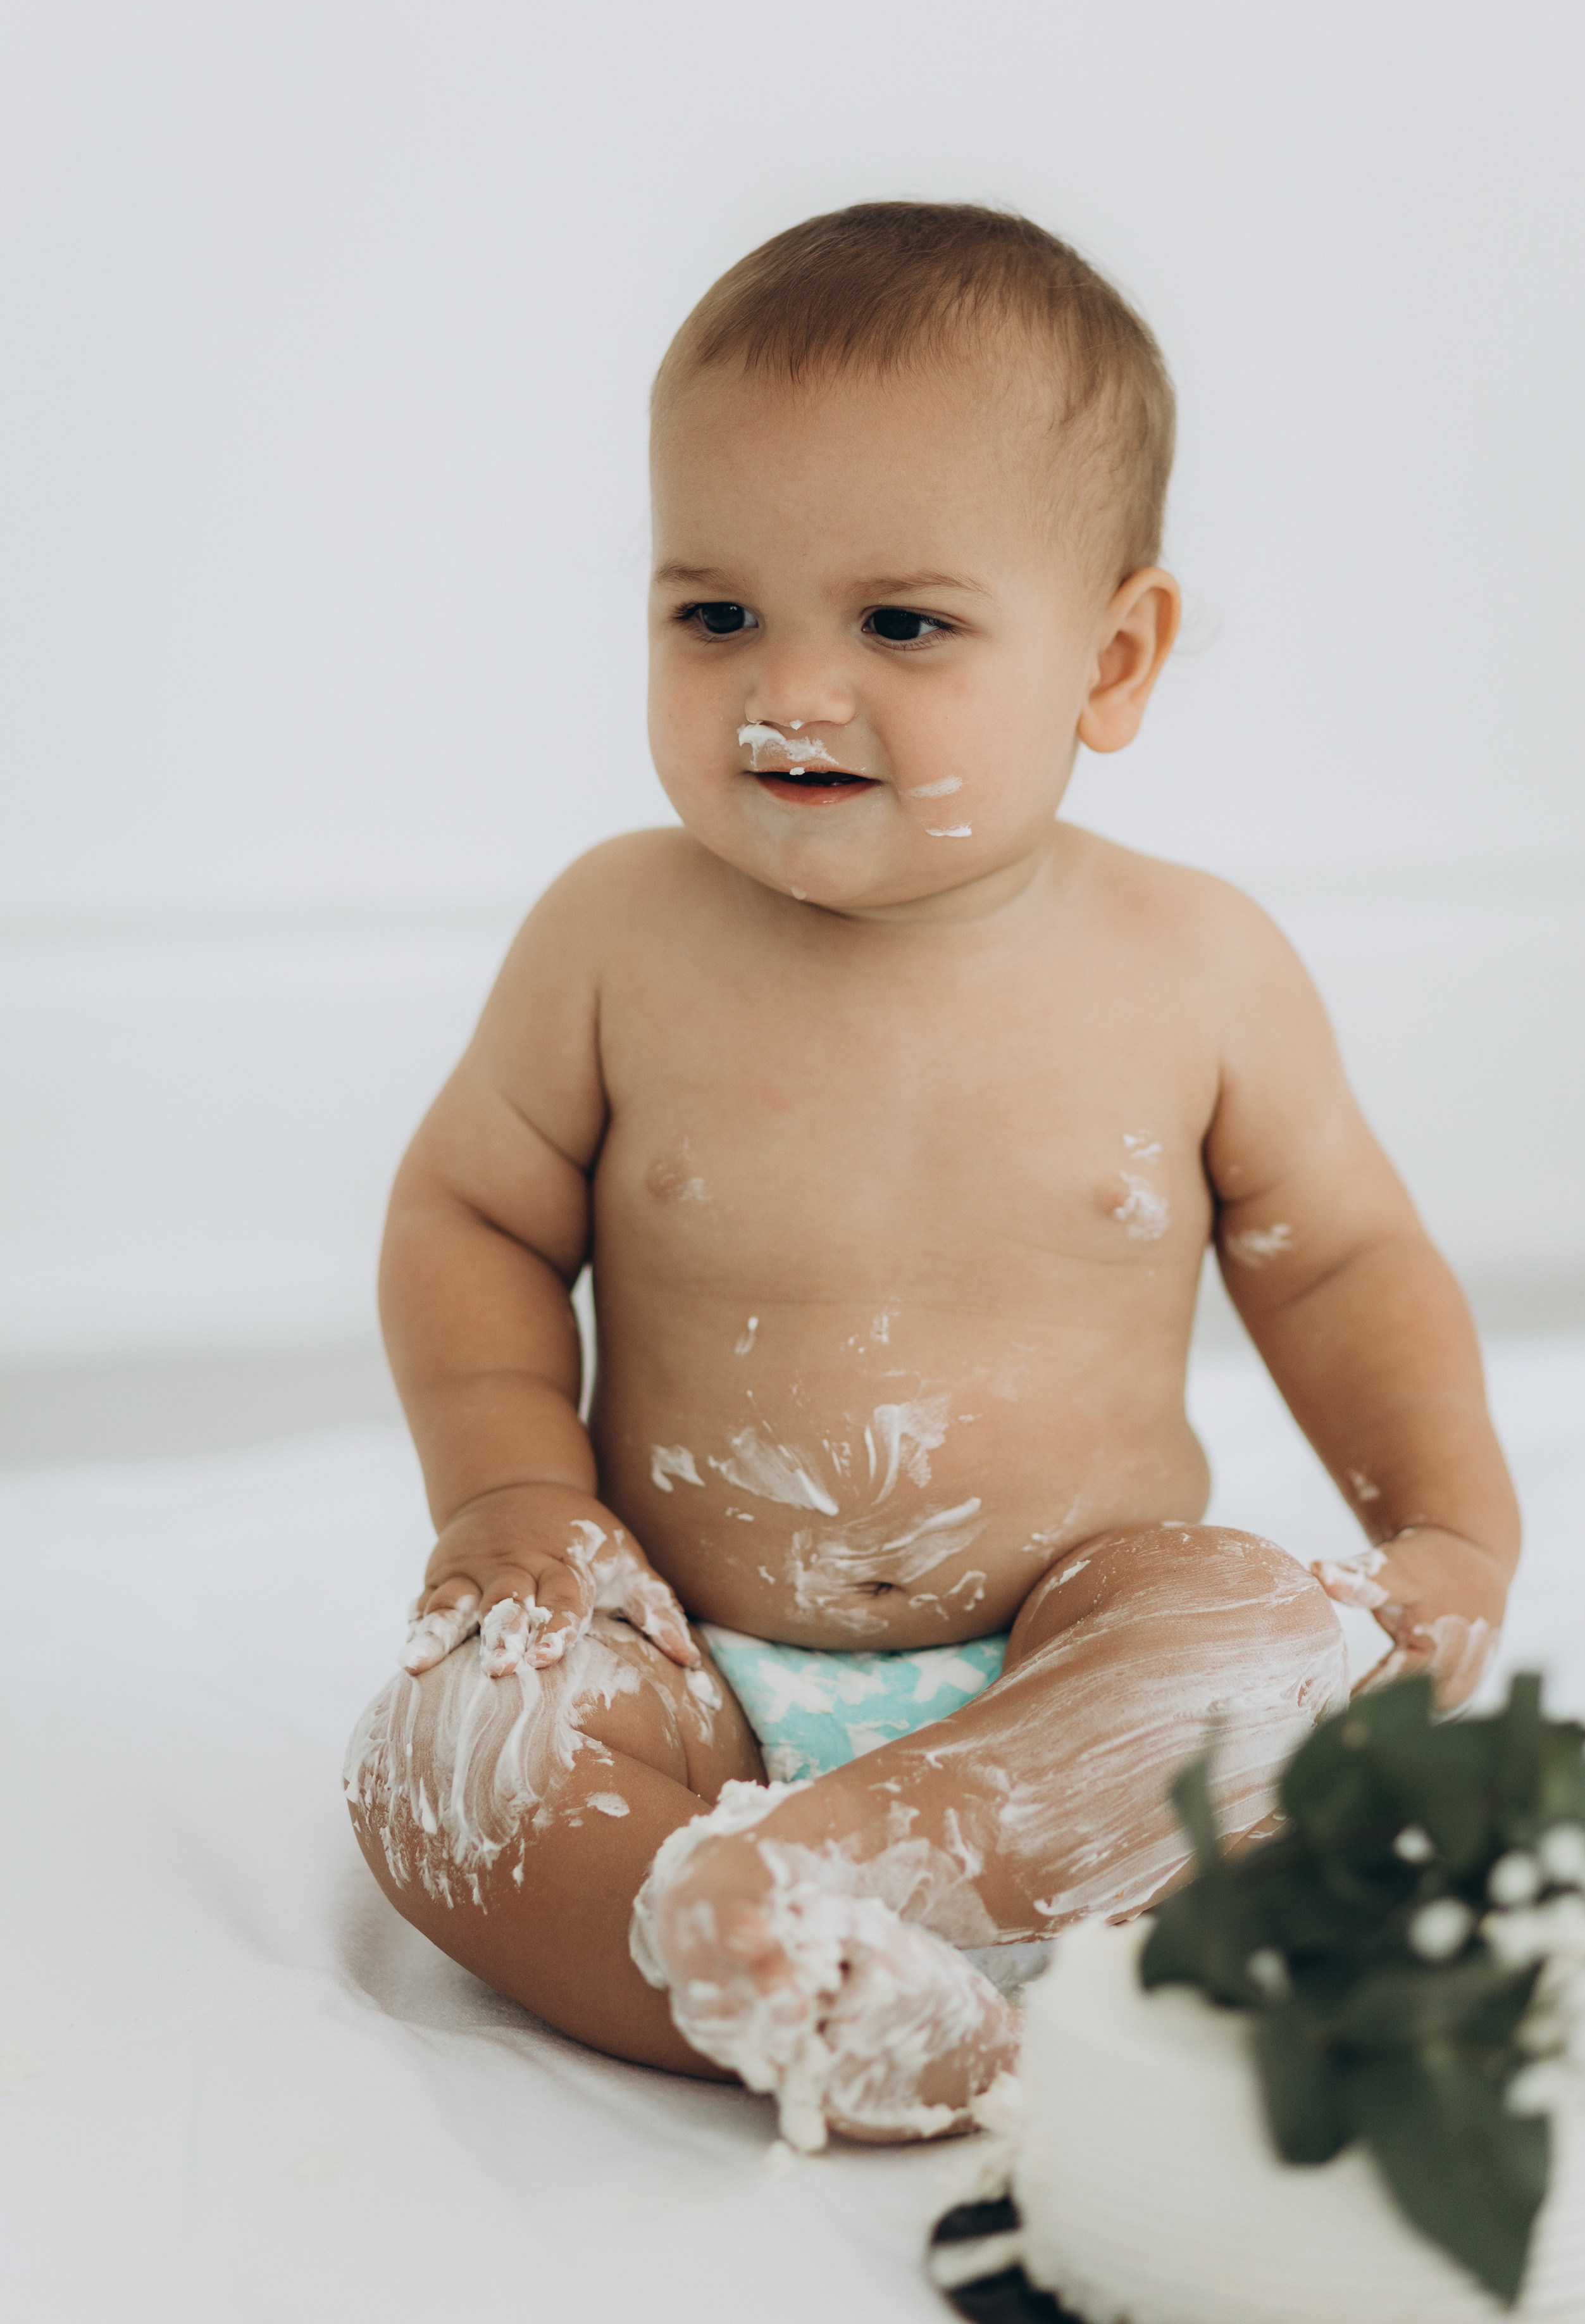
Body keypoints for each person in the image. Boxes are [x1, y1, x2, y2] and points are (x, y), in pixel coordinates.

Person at [344, 202, 1519, 2151]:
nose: (790, 692)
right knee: (443, 1768)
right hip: (687, 1649)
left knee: (1269, 1655)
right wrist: (515, 1499)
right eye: (713, 613)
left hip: (1071, 1651)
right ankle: (752, 1961)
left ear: (1112, 657)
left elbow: (1345, 1261)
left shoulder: (1199, 970)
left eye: (901, 624)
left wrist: (1450, 1540)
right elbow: (469, 1214)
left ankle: (822, 1885)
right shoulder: (615, 939)